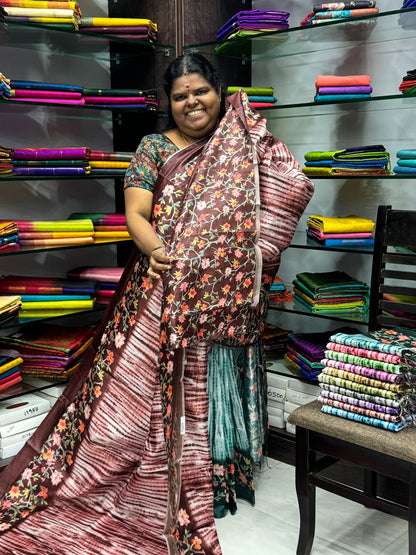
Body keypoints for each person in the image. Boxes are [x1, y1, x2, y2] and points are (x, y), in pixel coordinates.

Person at [0, 53, 314, 554]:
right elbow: (136, 213)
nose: (192, 102)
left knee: (218, 379)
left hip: (228, 297)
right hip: (161, 288)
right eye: (180, 95)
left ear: (219, 91)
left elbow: (284, 190)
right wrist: (158, 252)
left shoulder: (241, 144)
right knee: (146, 391)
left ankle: (219, 477)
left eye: (201, 91)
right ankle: (159, 476)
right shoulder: (152, 148)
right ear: (169, 103)